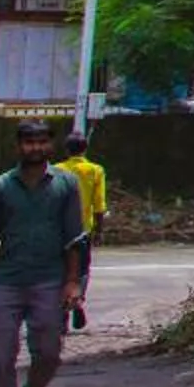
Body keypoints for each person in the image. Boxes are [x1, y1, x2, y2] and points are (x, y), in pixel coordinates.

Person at [0, 119, 84, 387]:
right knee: (1, 356)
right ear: (18, 146)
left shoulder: (66, 185)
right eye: (28, 143)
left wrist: (72, 282)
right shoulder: (0, 188)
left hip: (49, 282)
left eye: (41, 142)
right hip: (7, 281)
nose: (34, 148)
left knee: (49, 353)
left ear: (50, 145)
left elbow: (76, 239)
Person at [54, 132, 109, 331]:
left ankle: (62, 311)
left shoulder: (57, 170)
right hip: (83, 231)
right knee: (82, 271)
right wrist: (99, 230)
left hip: (59, 231)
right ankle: (77, 301)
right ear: (84, 149)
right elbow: (100, 204)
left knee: (60, 271)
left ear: (66, 150)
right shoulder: (95, 170)